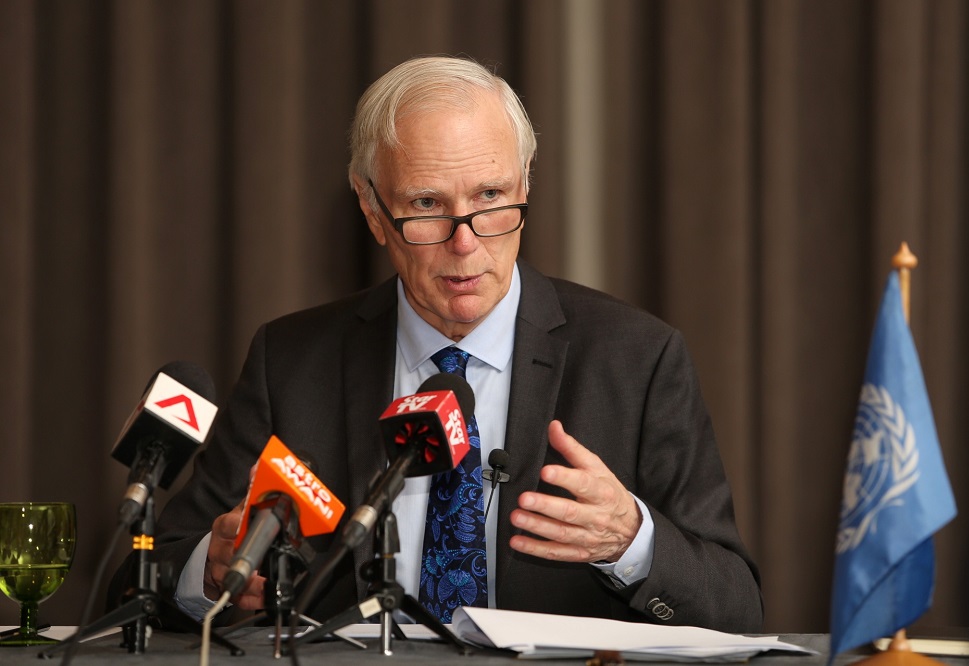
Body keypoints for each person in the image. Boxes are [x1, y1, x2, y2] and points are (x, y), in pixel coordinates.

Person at [109, 55, 763, 633]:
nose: (465, 242)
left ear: (526, 185)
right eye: (427, 204)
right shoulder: (293, 362)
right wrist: (210, 569)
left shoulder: (637, 359)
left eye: (491, 196)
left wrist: (631, 542)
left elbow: (736, 606)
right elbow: (141, 583)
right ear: (371, 209)